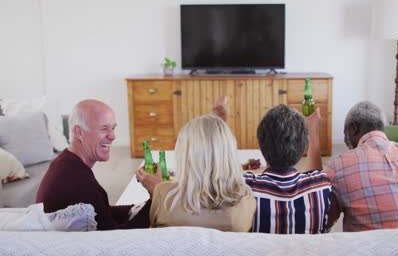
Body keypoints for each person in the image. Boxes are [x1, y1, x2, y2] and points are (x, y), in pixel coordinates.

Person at [36, 99, 151, 230]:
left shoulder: (66, 163)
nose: (113, 136)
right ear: (79, 132)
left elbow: (101, 212)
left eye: (113, 128)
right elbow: (116, 238)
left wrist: (137, 208)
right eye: (104, 129)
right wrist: (156, 195)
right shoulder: (77, 181)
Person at [137, 112, 256, 232]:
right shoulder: (246, 200)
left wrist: (159, 189)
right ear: (229, 154)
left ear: (185, 156)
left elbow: (151, 234)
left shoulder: (163, 194)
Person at [326, 101, 398, 232]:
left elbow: (322, 221)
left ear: (353, 128)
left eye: (345, 133)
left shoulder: (339, 166)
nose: (345, 139)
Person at [243, 104, 333, 234]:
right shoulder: (322, 186)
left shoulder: (246, 188)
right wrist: (313, 133)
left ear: (261, 145)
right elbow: (314, 178)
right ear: (303, 148)